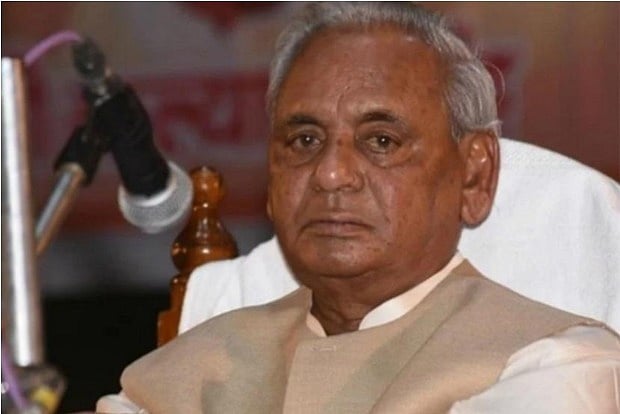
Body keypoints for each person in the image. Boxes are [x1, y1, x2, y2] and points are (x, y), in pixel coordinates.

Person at [98, 3, 620, 413]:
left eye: (382, 141)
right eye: (304, 140)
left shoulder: (550, 361)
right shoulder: (196, 363)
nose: (330, 174)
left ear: (474, 176)